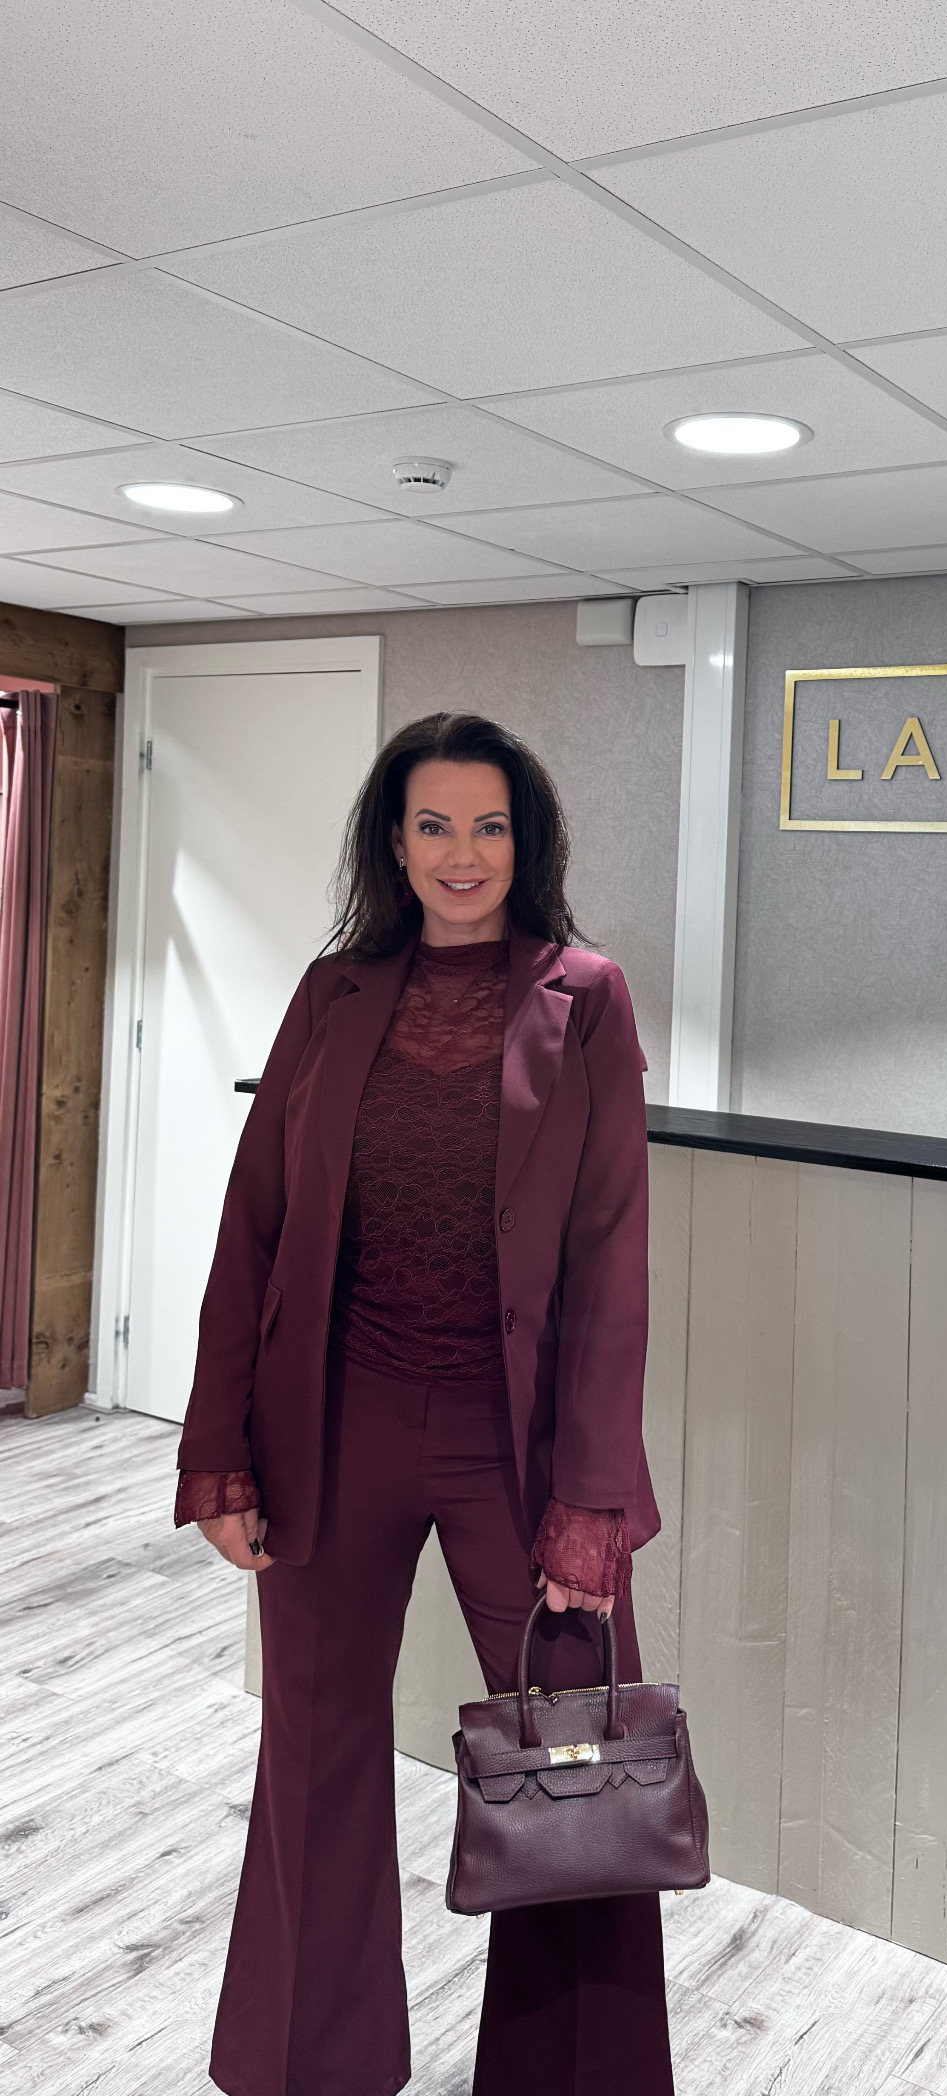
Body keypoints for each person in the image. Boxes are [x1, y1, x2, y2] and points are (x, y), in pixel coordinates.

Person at [173, 711, 673, 2096]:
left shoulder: (587, 995)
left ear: (528, 842)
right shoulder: (333, 992)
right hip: (335, 1425)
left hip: (523, 1451)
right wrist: (218, 1448)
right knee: (313, 1751)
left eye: (489, 825)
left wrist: (594, 1500)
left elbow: (611, 1258)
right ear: (393, 843)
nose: (463, 853)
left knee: (575, 1759)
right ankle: (306, 2068)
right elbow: (256, 1223)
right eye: (434, 824)